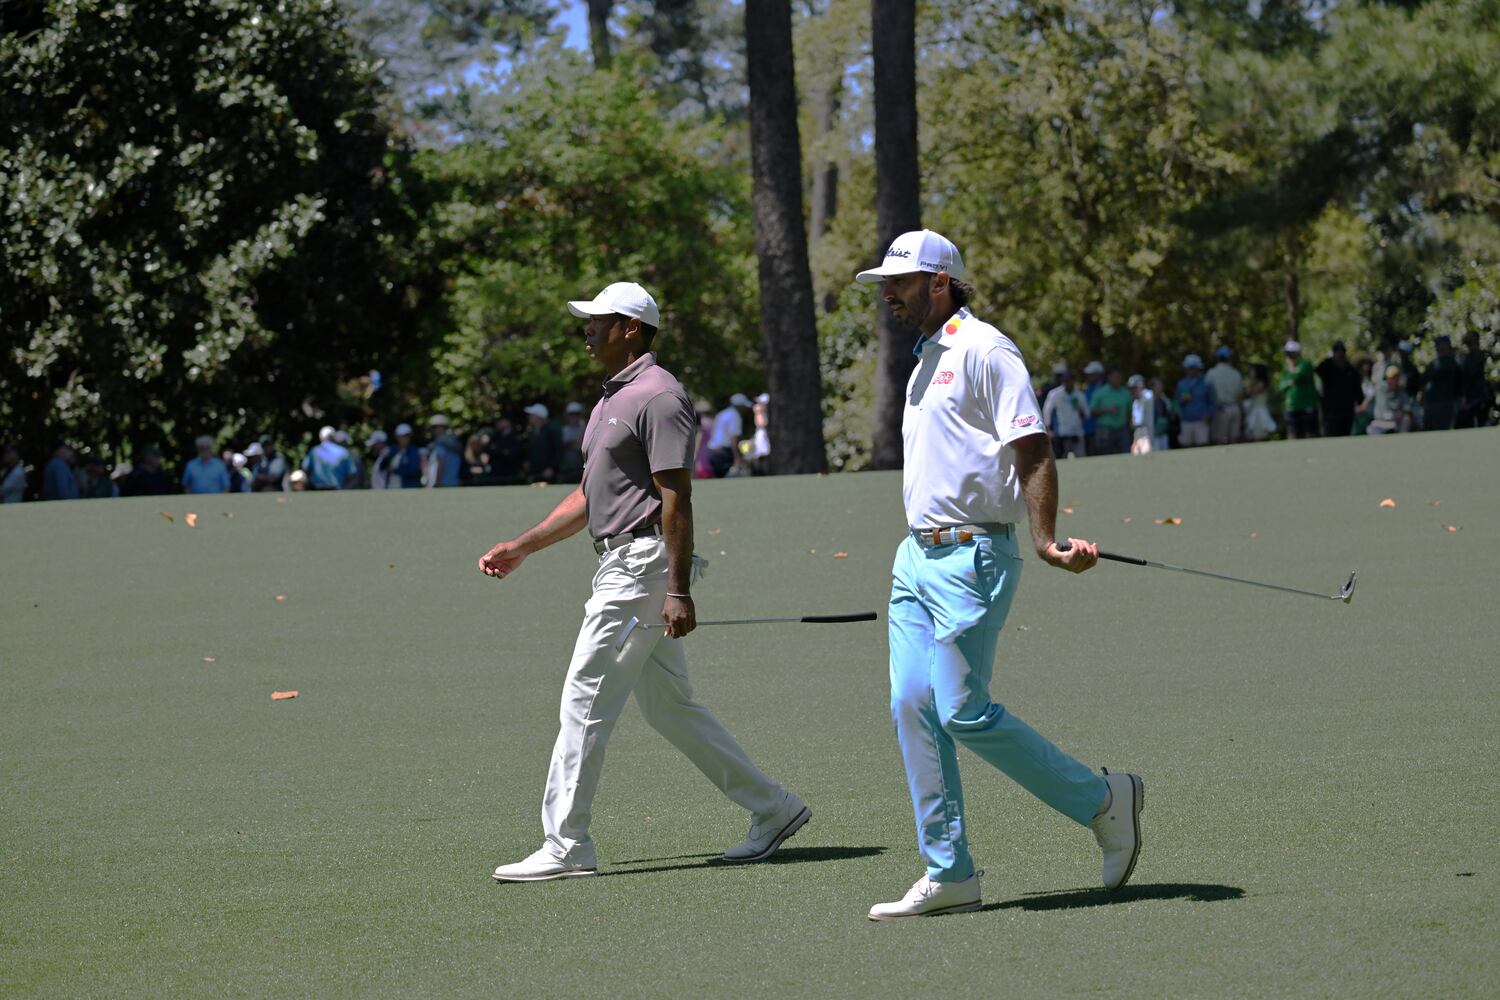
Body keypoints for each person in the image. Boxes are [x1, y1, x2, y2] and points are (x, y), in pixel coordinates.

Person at [854, 230, 1141, 920]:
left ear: (940, 282)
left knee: (961, 710)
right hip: (914, 558)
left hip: (974, 555)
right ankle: (949, 871)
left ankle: (1104, 800)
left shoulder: (986, 349)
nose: (889, 294)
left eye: (900, 281)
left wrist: (1044, 539)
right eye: (886, 284)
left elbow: (1032, 446)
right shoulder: (923, 360)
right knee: (910, 704)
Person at [481, 280, 807, 882]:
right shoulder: (611, 398)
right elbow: (590, 496)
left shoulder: (659, 395)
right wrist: (523, 546)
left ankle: (566, 844)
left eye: (598, 320)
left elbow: (675, 495)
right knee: (670, 708)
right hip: (622, 563)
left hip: (641, 568)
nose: (587, 329)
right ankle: (773, 807)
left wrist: (679, 589)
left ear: (631, 328)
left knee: (584, 700)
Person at [1315, 341, 1362, 437]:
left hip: (1347, 410)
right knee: (1331, 435)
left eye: (1341, 351)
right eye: (1337, 351)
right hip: (1330, 411)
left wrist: (1359, 402)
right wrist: (1329, 359)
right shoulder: (1327, 367)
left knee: (1345, 434)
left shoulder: (1350, 369)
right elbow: (1318, 370)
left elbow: (1357, 388)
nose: (1339, 354)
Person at [1041, 367, 1089, 459]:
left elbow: (1087, 414)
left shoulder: (1079, 395)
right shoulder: (1055, 394)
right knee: (1061, 459)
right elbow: (1047, 411)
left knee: (1081, 458)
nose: (1068, 383)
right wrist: (1048, 429)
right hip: (1062, 433)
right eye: (1066, 381)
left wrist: (1080, 409)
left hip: (1077, 432)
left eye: (1070, 380)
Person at [1278, 342, 1319, 439]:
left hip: (1307, 405)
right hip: (1292, 407)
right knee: (1294, 435)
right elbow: (1281, 387)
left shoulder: (1305, 364)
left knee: (1310, 435)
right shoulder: (1286, 370)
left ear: (1297, 353)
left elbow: (1296, 377)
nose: (1287, 356)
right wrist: (1289, 382)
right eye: (1287, 354)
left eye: (1289, 353)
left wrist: (1292, 371)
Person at [1421, 335, 1461, 432]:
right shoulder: (1433, 363)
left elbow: (1460, 382)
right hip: (1431, 404)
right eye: (1437, 344)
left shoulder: (1453, 361)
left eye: (1441, 344)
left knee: (1442, 430)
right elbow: (1423, 381)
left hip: (1446, 403)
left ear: (1447, 345)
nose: (1438, 347)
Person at [1205, 346, 1244, 445]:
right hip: (1235, 408)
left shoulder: (1211, 373)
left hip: (1220, 409)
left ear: (1218, 358)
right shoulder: (1236, 373)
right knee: (1234, 439)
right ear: (1229, 358)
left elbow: (1206, 393)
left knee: (1220, 440)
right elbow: (1240, 394)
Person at [1175, 355, 1216, 447]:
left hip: (1201, 421)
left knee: (1202, 446)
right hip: (1186, 421)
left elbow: (1212, 402)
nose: (1191, 370)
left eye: (1193, 368)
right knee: (1186, 447)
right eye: (1189, 368)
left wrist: (1209, 415)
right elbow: (1176, 403)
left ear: (1198, 368)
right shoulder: (1181, 384)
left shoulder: (1206, 383)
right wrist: (1181, 402)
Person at [706, 393, 751, 477]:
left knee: (720, 479)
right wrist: (737, 457)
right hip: (724, 453)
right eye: (744, 406)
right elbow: (733, 437)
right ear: (740, 406)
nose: (745, 409)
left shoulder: (722, 413)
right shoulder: (735, 416)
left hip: (712, 452)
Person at [1089, 368, 1132, 456]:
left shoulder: (1125, 393)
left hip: (1122, 430)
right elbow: (1092, 411)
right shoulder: (1100, 392)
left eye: (1119, 377)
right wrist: (1107, 410)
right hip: (1105, 431)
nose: (1118, 379)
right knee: (1105, 454)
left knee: (1125, 453)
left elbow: (1129, 411)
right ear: (1109, 378)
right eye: (1116, 377)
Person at [1456, 331, 1491, 428]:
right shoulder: (1467, 356)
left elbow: (1470, 373)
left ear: (1475, 339)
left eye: (1469, 335)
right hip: (1470, 397)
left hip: (1478, 396)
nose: (1465, 337)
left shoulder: (1478, 354)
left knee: (1481, 421)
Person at [1367, 364, 1412, 434]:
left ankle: (1402, 438)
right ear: (1387, 379)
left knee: (1406, 419)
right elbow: (1368, 398)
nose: (1394, 380)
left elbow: (1407, 410)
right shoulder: (1380, 388)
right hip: (1382, 422)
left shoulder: (1402, 391)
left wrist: (1400, 414)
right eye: (1391, 378)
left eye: (1396, 378)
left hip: (1396, 422)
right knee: (1371, 429)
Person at [521, 405, 561, 484]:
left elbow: (558, 451)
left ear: (538, 417)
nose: (530, 417)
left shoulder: (551, 431)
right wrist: (528, 462)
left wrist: (551, 468)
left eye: (532, 415)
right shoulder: (531, 432)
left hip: (549, 474)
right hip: (535, 472)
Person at [1243, 364, 1277, 441]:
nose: (1251, 372)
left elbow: (1249, 391)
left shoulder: (1262, 383)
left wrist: (1250, 379)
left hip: (1259, 411)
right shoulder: (1259, 382)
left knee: (1259, 433)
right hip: (1256, 409)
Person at [487, 418, 525, 485]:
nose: (499, 423)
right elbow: (488, 450)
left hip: (511, 473)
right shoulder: (495, 436)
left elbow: (511, 455)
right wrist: (503, 451)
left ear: (508, 422)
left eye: (501, 421)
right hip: (495, 473)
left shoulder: (515, 436)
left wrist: (497, 450)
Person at [386, 423, 425, 488]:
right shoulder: (392, 450)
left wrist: (395, 470)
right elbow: (383, 467)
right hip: (392, 486)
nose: (405, 438)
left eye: (407, 436)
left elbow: (413, 470)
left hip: (408, 487)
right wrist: (385, 459)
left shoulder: (414, 451)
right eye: (402, 436)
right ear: (397, 437)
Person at [558, 402, 586, 483]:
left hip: (581, 464)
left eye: (576, 414)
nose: (574, 417)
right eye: (571, 414)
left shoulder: (584, 428)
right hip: (567, 466)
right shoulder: (564, 430)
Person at [1127, 374, 1155, 455]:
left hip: (1146, 432)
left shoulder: (1147, 395)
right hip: (1137, 433)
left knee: (1146, 454)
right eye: (1130, 389)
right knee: (1135, 454)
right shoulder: (1135, 401)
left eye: (1134, 388)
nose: (1132, 391)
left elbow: (1148, 395)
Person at [749, 392, 772, 475]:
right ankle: (759, 472)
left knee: (763, 454)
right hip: (761, 433)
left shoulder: (762, 411)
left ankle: (763, 472)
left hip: (764, 433)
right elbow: (761, 424)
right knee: (760, 454)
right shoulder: (759, 410)